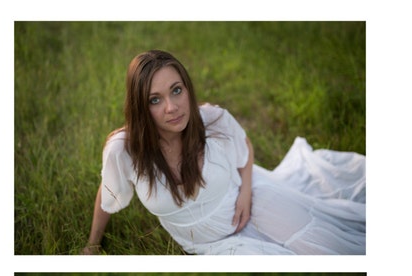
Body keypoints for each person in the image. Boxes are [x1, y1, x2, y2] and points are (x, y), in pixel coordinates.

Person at [81, 50, 365, 255]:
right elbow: (108, 191)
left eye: (176, 90)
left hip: (250, 198)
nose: (172, 107)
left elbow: (245, 146)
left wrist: (245, 194)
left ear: (187, 89)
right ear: (140, 107)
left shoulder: (213, 119)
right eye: (155, 100)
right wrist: (92, 244)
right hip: (211, 244)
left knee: (325, 246)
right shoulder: (124, 149)